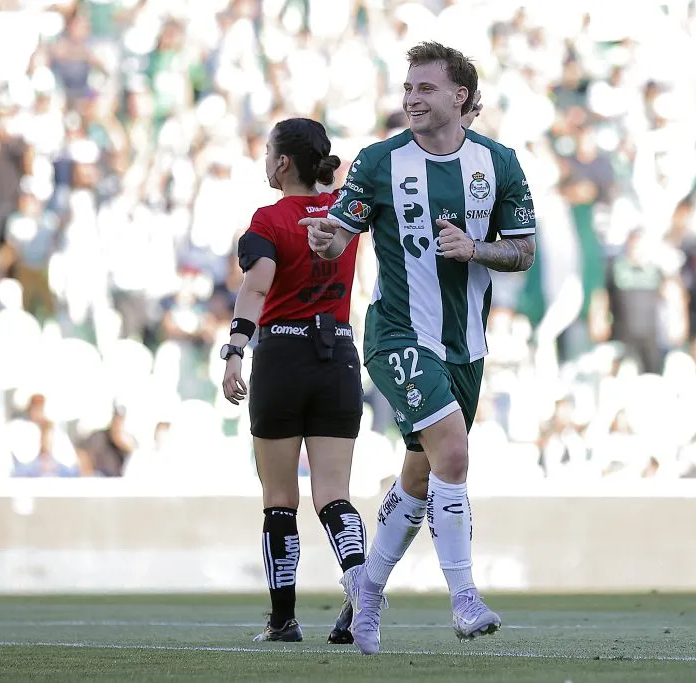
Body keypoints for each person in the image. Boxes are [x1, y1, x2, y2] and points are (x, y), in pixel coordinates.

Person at [302, 41, 535, 655]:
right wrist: (327, 240)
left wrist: (476, 249)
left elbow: (523, 251)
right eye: (407, 88)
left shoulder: (500, 163)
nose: (411, 98)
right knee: (453, 454)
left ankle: (367, 592)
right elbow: (339, 237)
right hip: (398, 334)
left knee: (421, 472)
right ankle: (464, 601)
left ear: (460, 97)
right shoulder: (379, 161)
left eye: (425, 88)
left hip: (468, 346)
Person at [219, 118, 368, 644]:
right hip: (340, 356)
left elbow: (256, 289)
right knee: (334, 495)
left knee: (280, 498)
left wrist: (235, 350)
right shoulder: (348, 214)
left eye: (267, 153)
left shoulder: (269, 219)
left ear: (283, 163)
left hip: (282, 357)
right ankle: (360, 589)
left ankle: (283, 621)